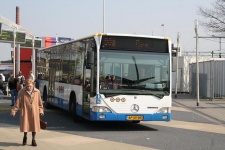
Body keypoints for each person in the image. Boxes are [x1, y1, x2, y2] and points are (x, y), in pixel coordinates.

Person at [11, 79, 44, 146]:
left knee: (34, 127)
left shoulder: (37, 92)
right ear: (25, 85)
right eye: (27, 86)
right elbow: (18, 102)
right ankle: (25, 137)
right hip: (25, 111)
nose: (29, 88)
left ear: (33, 85)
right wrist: (14, 110)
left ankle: (33, 140)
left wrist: (41, 111)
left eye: (30, 86)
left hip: (34, 112)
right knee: (25, 126)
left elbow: (40, 104)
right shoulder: (22, 92)